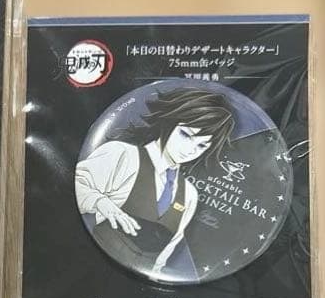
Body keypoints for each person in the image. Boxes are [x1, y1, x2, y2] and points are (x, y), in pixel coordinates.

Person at [75, 87, 234, 282]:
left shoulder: (190, 195)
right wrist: (102, 202)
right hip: (90, 269)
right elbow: (78, 183)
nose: (190, 149)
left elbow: (167, 251)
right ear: (168, 123)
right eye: (185, 134)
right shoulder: (123, 155)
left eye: (201, 145)